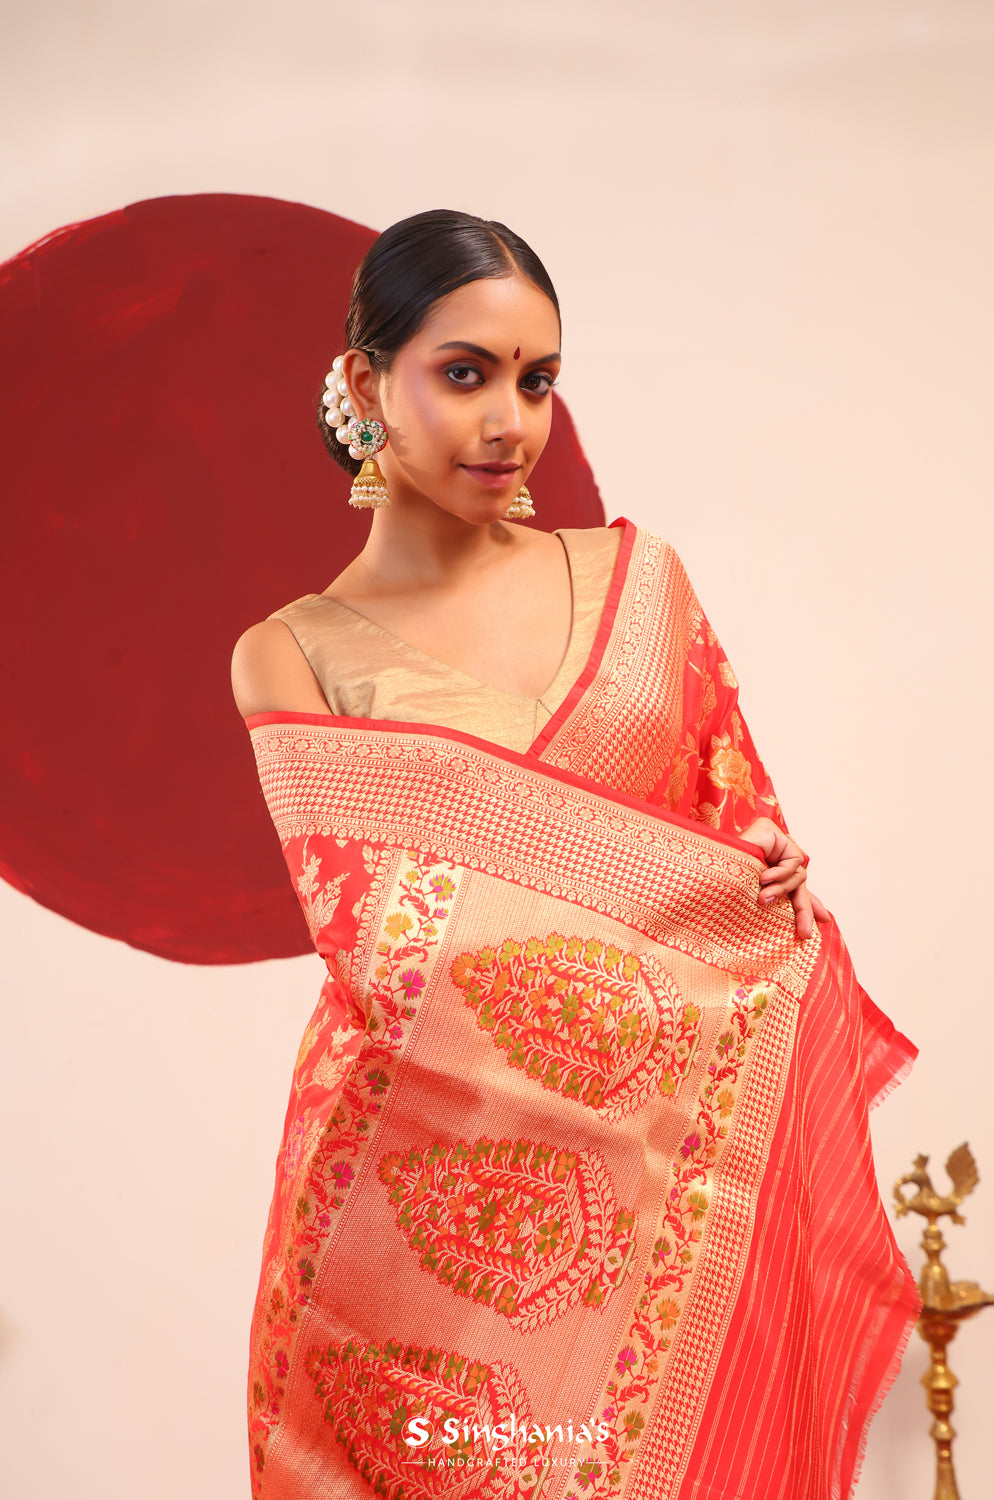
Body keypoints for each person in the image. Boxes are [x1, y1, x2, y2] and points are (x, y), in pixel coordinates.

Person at [231, 209, 918, 1500]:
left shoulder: (638, 583)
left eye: (538, 380)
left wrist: (761, 873)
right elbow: (402, 955)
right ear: (369, 381)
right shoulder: (293, 653)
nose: (511, 421)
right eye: (466, 373)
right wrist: (674, 919)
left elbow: (730, 821)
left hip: (648, 1199)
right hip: (419, 1239)